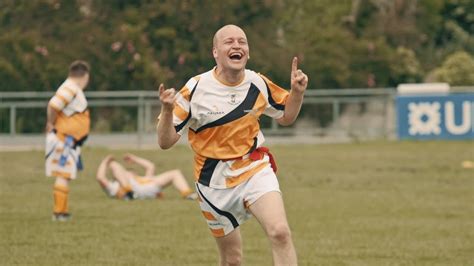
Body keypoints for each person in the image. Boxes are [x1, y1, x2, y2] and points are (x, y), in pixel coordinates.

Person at [157, 24, 308, 265]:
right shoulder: (195, 88)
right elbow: (165, 142)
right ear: (215, 52)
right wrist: (166, 112)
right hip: (212, 182)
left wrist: (297, 93)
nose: (237, 45)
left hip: (254, 168)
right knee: (232, 260)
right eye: (229, 42)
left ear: (248, 52)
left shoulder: (257, 82)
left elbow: (286, 117)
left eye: (242, 41)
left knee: (280, 232)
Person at [45, 60, 91, 222]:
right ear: (84, 76)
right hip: (65, 140)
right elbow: (54, 105)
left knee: (65, 175)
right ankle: (59, 213)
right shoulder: (70, 88)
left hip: (69, 140)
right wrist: (50, 123)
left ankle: (61, 211)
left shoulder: (71, 88)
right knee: (63, 175)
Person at [96, 153, 197, 201]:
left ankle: (187, 194)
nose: (131, 172)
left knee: (175, 173)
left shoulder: (141, 179)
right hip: (129, 190)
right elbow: (100, 178)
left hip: (145, 187)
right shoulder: (115, 186)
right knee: (114, 164)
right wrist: (106, 162)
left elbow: (150, 166)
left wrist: (134, 159)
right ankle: (128, 192)